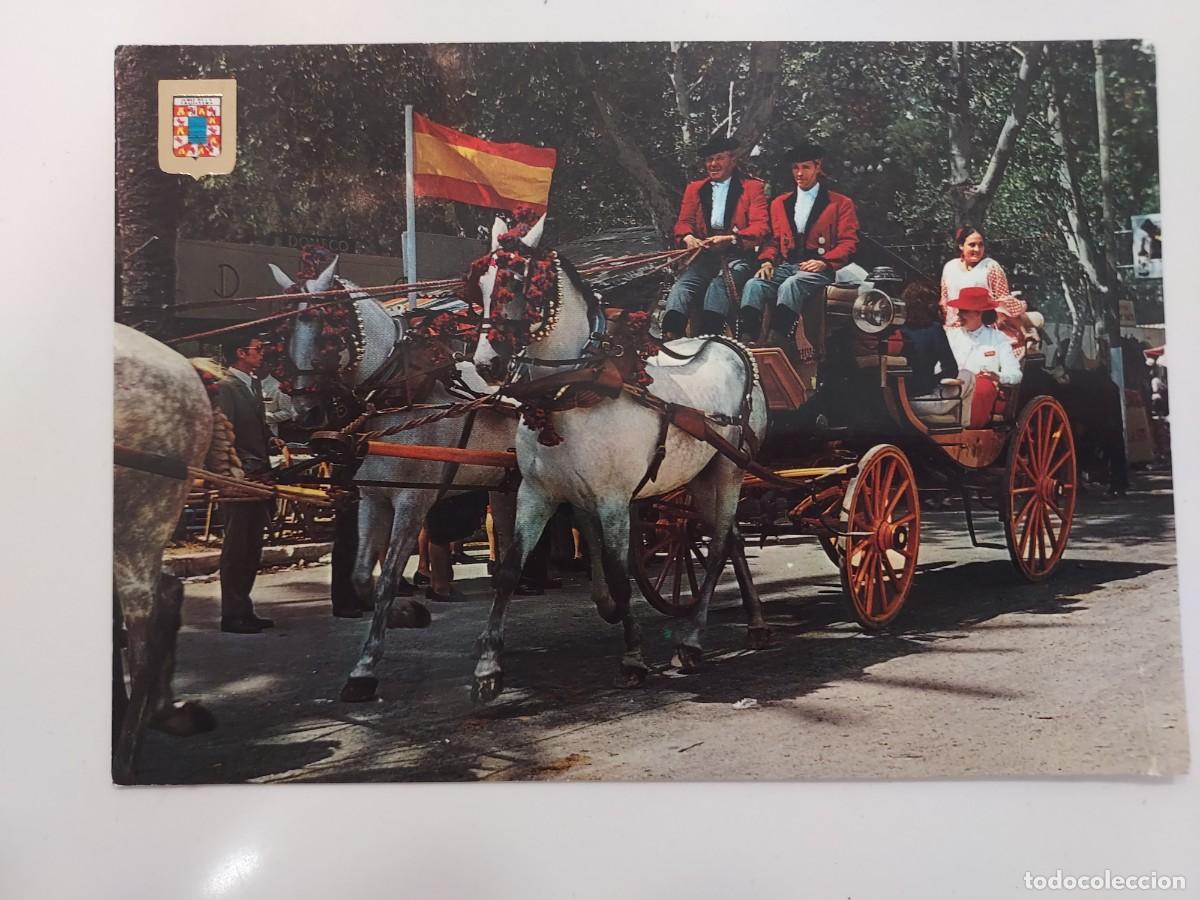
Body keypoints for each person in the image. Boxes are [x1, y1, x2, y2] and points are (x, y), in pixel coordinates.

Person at [738, 141, 860, 379]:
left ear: (817, 167)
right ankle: (746, 342)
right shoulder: (780, 203)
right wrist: (766, 262)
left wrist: (825, 262)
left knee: (791, 285)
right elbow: (773, 240)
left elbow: (849, 242)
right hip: (786, 265)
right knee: (754, 285)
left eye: (805, 167)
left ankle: (778, 342)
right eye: (795, 168)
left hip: (819, 268)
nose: (799, 173)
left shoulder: (840, 203)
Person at [661, 136, 769, 340]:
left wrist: (732, 238)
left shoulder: (752, 187)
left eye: (719, 158)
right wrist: (688, 237)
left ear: (732, 160)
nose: (713, 164)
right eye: (709, 159)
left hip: (738, 257)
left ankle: (709, 338)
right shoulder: (695, 189)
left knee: (717, 287)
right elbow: (684, 222)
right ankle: (670, 337)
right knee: (681, 287)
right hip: (704, 257)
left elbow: (760, 226)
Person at [215, 334, 283, 634]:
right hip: (240, 477)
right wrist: (233, 471)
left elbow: (256, 424)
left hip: (260, 473)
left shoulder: (252, 384)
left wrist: (270, 438)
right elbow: (222, 432)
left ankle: (244, 608)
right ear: (241, 352)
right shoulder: (226, 387)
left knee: (252, 545)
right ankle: (231, 613)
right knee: (237, 545)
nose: (262, 354)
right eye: (258, 349)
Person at [940, 225, 1030, 359]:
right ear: (961, 246)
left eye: (980, 245)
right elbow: (944, 300)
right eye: (972, 245)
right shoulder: (950, 267)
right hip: (955, 330)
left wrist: (1023, 330)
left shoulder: (990, 266)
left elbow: (1003, 302)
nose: (977, 249)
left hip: (984, 330)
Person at [897, 282, 973, 425]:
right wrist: (933, 381)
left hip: (896, 399)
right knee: (968, 375)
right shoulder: (934, 329)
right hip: (923, 402)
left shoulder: (897, 330)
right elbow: (951, 369)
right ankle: (963, 427)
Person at [945, 286, 1021, 427]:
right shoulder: (950, 336)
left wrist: (997, 377)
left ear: (979, 313)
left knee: (983, 386)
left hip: (982, 397)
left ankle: (969, 431)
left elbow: (1015, 374)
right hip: (952, 392)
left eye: (965, 311)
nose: (959, 315)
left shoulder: (998, 339)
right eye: (959, 311)